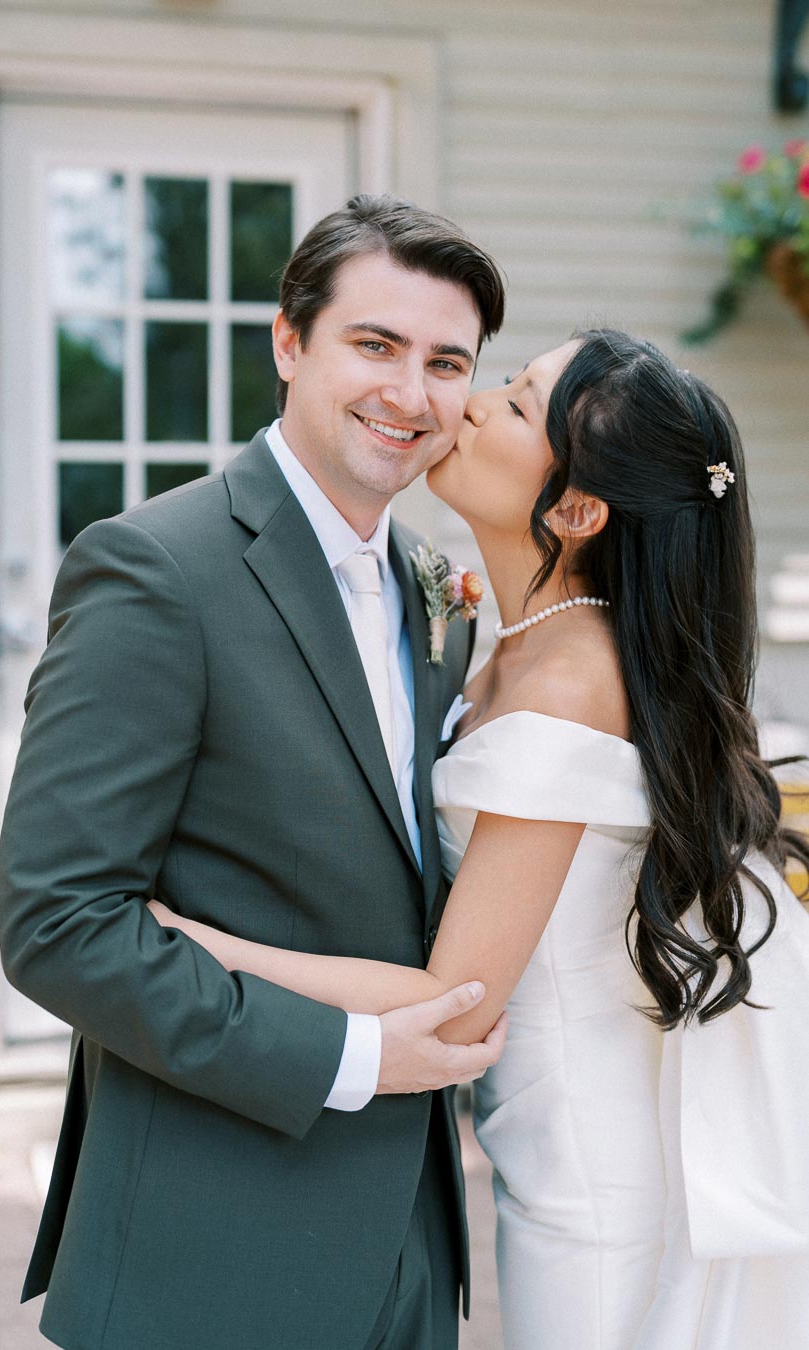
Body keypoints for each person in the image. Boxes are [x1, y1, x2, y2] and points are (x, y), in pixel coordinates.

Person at [149, 328, 809, 1348]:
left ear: (578, 510)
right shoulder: (517, 645)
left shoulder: (570, 686)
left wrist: (199, 945)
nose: (462, 403)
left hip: (589, 1182)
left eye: (511, 403)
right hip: (543, 1139)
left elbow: (454, 1006)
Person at [0, 194, 509, 1350]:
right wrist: (358, 1056)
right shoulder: (154, 571)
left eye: (445, 363)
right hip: (208, 1254)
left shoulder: (436, 587)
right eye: (374, 345)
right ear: (289, 341)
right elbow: (58, 925)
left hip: (410, 1252)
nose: (410, 393)